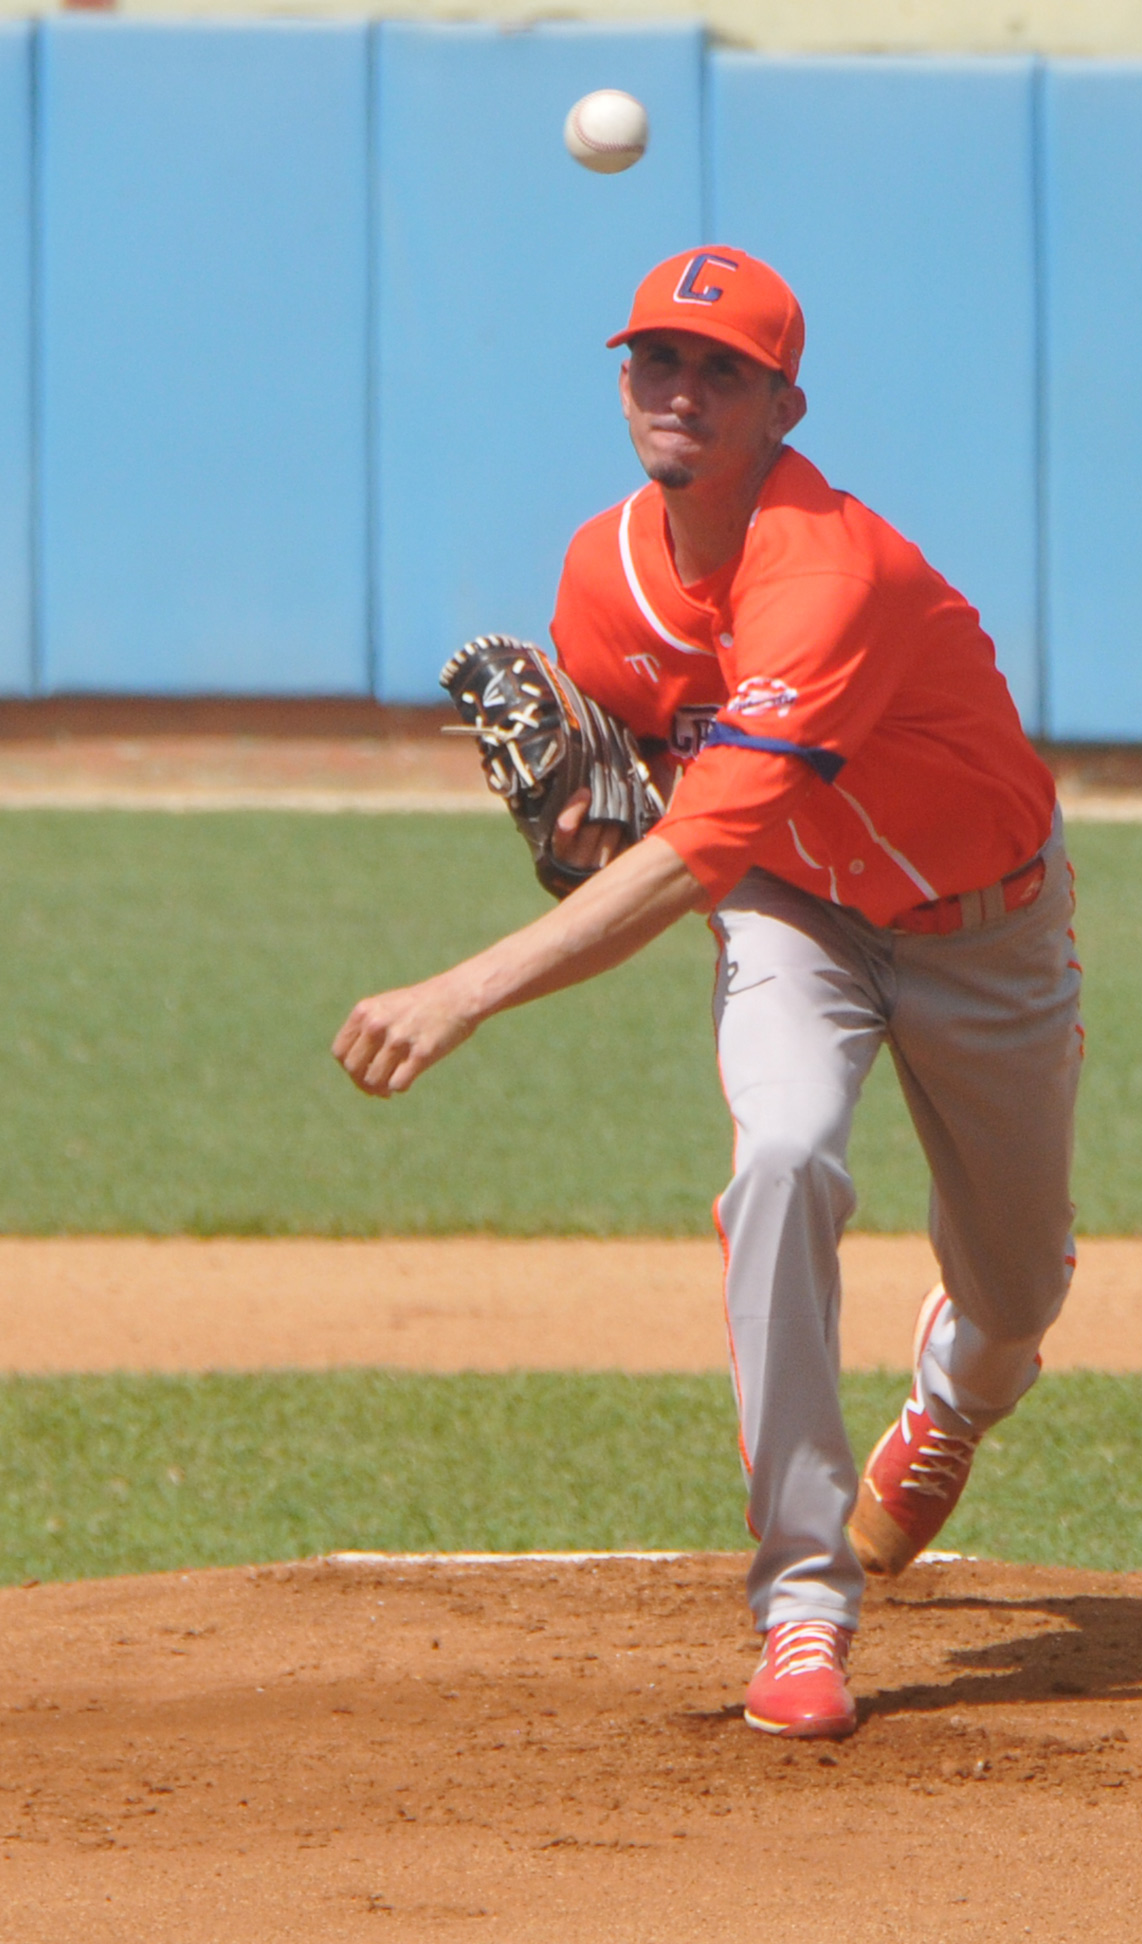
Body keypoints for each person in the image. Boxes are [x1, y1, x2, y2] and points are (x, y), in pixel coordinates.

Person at [332, 246, 1082, 1742]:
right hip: (792, 914)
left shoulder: (831, 571)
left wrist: (468, 988)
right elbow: (650, 813)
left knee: (1018, 1293)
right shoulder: (598, 577)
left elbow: (704, 834)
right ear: (623, 387)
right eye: (654, 361)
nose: (680, 388)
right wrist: (585, 830)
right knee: (785, 1157)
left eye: (720, 369)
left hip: (980, 928)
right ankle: (804, 1612)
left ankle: (950, 1399)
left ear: (783, 404)